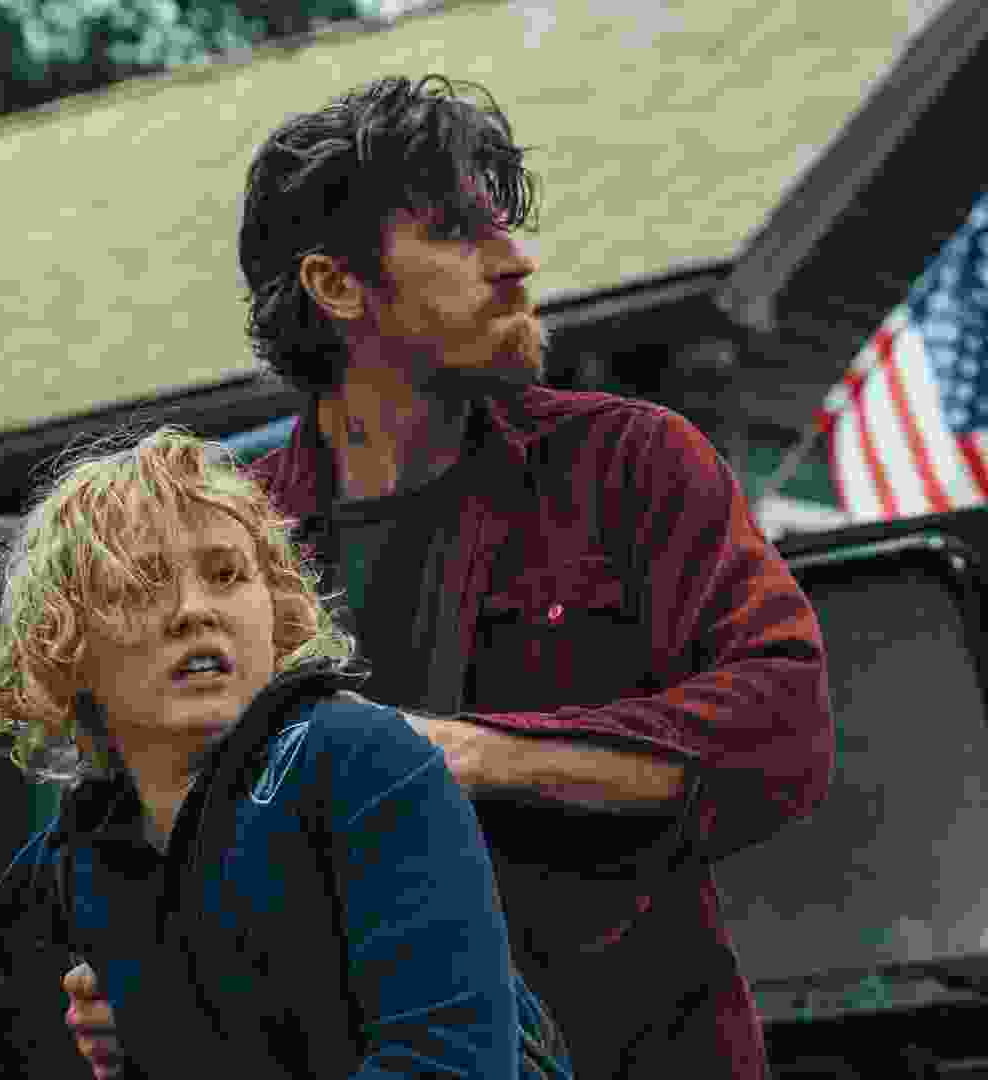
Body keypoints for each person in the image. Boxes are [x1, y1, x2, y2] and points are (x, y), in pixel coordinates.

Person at [59, 75, 835, 1079]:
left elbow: (783, 727)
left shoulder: (633, 463)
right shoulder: (226, 535)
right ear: (337, 286)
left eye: (505, 226)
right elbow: (145, 815)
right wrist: (140, 985)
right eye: (459, 233)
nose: (517, 261)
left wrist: (469, 755)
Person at [0, 426, 572, 1078]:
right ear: (66, 646)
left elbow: (449, 1064)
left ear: (276, 612)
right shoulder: (70, 866)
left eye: (226, 574)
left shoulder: (359, 761)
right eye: (143, 583)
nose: (193, 611)